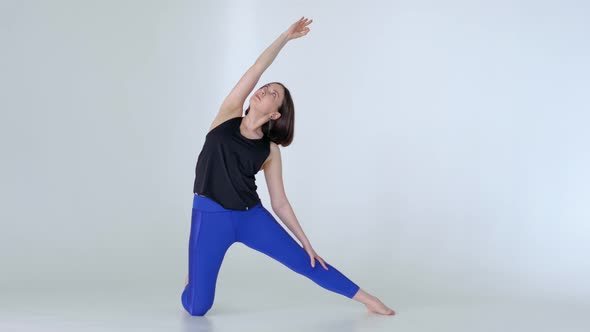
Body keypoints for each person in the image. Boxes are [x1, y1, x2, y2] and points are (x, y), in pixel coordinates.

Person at [181, 16, 395, 316]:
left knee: (305, 261)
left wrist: (306, 242)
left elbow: (279, 202)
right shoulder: (227, 115)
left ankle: (368, 300)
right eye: (266, 88)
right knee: (197, 307)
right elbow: (257, 68)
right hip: (210, 214)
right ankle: (194, 272)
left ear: (276, 115)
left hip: (250, 217)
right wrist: (285, 37)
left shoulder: (269, 150)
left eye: (273, 94)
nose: (264, 91)